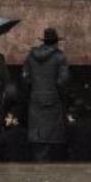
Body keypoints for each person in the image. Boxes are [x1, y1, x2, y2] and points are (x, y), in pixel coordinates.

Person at [22, 28, 70, 162]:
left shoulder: (31, 56)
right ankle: (51, 162)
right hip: (53, 98)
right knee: (53, 132)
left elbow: (25, 77)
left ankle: (40, 159)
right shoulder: (59, 57)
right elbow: (63, 80)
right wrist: (61, 94)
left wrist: (31, 90)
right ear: (55, 42)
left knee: (37, 131)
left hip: (35, 97)